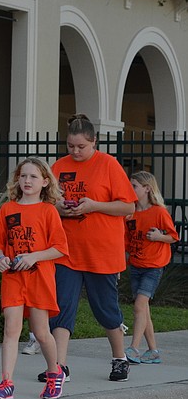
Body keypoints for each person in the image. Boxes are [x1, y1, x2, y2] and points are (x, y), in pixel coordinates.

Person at [49, 114, 136, 383]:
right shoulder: (59, 166)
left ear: (94, 142)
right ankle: (59, 366)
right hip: (67, 251)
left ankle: (120, 358)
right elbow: (48, 202)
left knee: (105, 308)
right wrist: (59, 207)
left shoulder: (108, 165)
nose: (75, 152)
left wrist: (95, 205)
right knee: (62, 307)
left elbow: (129, 207)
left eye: (81, 147)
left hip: (101, 252)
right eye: (71, 146)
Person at [0, 158, 69, 399]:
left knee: (41, 331)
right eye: (23, 176)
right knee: (11, 329)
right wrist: (0, 258)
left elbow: (59, 248)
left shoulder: (48, 211)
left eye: (33, 177)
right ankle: (6, 383)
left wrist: (34, 257)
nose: (27, 181)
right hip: (13, 278)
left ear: (45, 182)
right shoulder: (8, 209)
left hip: (39, 278)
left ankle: (55, 372)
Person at [124, 171, 178, 364]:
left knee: (139, 305)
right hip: (136, 265)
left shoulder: (159, 212)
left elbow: (173, 236)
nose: (130, 189)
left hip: (154, 266)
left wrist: (158, 237)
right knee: (143, 309)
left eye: (134, 186)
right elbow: (126, 240)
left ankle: (134, 348)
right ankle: (153, 351)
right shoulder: (130, 213)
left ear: (147, 188)